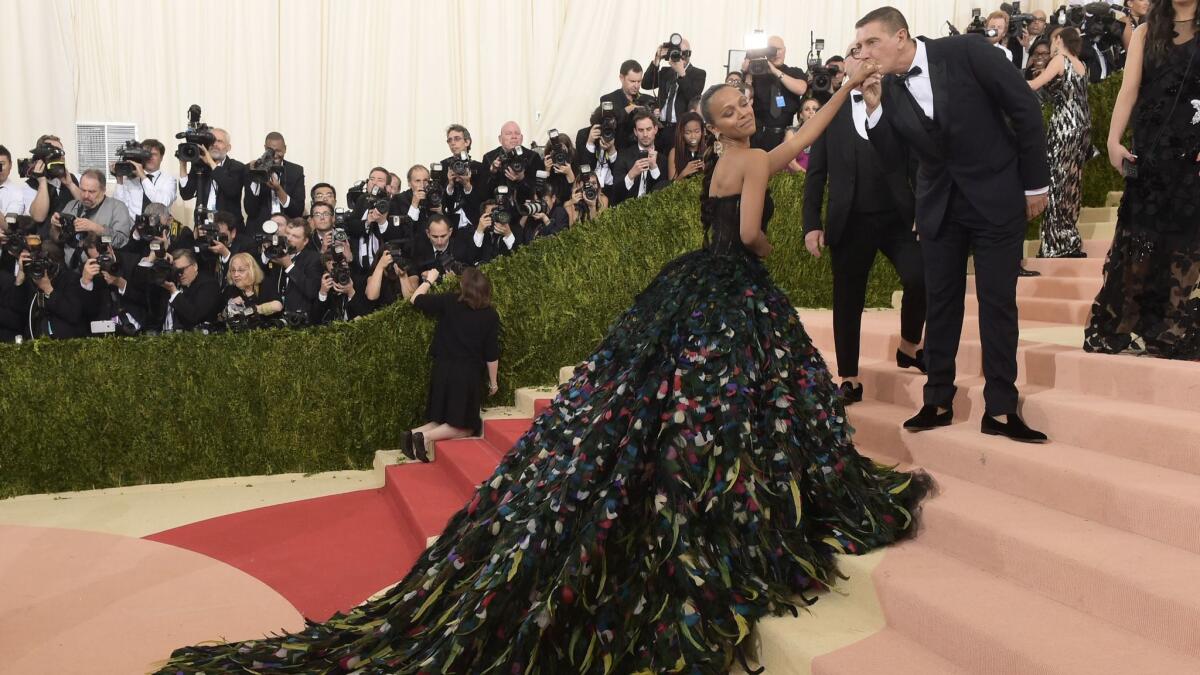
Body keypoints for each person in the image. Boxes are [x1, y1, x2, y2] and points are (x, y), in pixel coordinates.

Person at [157, 64, 933, 675]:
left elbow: (801, 138)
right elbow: (759, 231)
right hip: (733, 291)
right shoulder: (757, 161)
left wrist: (835, 96)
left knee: (676, 408)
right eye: (731, 109)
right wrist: (763, 251)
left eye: (744, 107)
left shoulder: (727, 162)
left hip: (692, 284)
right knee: (736, 406)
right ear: (719, 120)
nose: (745, 115)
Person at [856, 6, 1051, 443]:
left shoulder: (965, 51)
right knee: (940, 303)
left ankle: (1001, 409)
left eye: (872, 42)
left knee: (997, 302)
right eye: (860, 46)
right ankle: (937, 400)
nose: (864, 52)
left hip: (996, 195)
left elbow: (1023, 107)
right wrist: (874, 110)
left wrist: (1035, 184)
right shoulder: (888, 87)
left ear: (901, 36)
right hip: (939, 206)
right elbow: (892, 159)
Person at [803, 47, 925, 405]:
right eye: (859, 61)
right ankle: (849, 376)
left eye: (873, 61)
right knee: (848, 299)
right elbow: (816, 173)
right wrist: (811, 223)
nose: (868, 67)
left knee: (921, 278)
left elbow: (918, 159)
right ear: (847, 69)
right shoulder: (833, 110)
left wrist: (923, 206)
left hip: (898, 216)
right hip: (850, 219)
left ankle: (908, 345)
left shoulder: (901, 101)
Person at [1085, 0, 1200, 358]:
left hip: (1192, 154)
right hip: (1149, 153)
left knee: (1184, 240)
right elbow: (1128, 89)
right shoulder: (1146, 31)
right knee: (1140, 240)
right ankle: (1133, 322)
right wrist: (1112, 140)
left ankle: (1174, 327)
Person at [401, 266, 500, 463]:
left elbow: (415, 299)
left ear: (463, 286)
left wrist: (429, 280)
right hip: (467, 374)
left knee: (441, 419)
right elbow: (491, 353)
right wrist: (494, 382)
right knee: (466, 426)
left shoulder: (449, 301)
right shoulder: (490, 315)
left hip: (442, 370)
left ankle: (412, 433)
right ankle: (424, 437)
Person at [1029, 27, 1091, 259]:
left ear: (1058, 39)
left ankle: (1054, 245)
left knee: (1056, 181)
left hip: (1064, 126)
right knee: (1072, 184)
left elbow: (1035, 86)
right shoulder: (1080, 64)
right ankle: (1068, 239)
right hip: (1082, 128)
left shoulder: (1060, 60)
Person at [744, 35, 809, 150]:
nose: (776, 53)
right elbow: (744, 97)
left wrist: (774, 71)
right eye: (772, 50)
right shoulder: (756, 74)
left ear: (785, 50)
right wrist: (747, 72)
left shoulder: (794, 71)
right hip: (759, 135)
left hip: (786, 135)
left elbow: (801, 89)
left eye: (779, 49)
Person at [643, 36, 707, 151]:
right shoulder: (665, 71)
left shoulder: (698, 73)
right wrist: (656, 60)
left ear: (688, 54)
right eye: (676, 52)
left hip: (680, 128)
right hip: (660, 126)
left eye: (683, 53)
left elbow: (693, 97)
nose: (679, 56)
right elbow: (646, 84)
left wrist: (682, 74)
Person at [178, 127, 247, 229]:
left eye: (219, 141)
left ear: (228, 147)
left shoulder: (237, 167)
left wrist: (210, 162)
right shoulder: (199, 166)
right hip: (203, 227)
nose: (214, 144)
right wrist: (182, 164)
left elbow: (231, 190)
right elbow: (186, 194)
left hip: (229, 229)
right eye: (211, 141)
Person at [243, 132, 305, 231]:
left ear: (285, 149)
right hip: (258, 228)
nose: (275, 155)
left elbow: (297, 211)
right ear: (265, 148)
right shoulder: (251, 168)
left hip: (287, 230)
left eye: (279, 151)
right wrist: (256, 177)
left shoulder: (296, 171)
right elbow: (250, 210)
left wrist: (279, 189)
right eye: (271, 151)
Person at [611, 108, 669, 204]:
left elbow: (664, 194)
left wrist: (654, 167)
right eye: (641, 130)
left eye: (648, 129)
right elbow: (616, 193)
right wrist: (630, 175)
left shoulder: (662, 159)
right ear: (635, 132)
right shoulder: (623, 156)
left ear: (655, 129)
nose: (645, 134)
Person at [599, 60, 659, 151]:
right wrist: (627, 110)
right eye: (632, 81)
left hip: (643, 153)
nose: (636, 85)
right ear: (621, 78)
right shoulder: (608, 100)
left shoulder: (649, 100)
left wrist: (656, 116)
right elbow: (607, 126)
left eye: (639, 81)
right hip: (618, 153)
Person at [112, 138, 177, 219]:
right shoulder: (129, 178)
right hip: (133, 229)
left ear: (161, 157)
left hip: (158, 229)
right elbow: (119, 207)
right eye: (146, 154)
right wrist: (119, 180)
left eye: (154, 154)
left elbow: (163, 203)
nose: (150, 157)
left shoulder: (169, 180)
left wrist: (143, 176)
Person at [217, 252, 282, 329]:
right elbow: (219, 319)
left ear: (252, 271)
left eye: (241, 270)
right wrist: (228, 308)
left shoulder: (264, 284)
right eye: (233, 270)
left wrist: (249, 311)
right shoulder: (230, 289)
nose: (236, 274)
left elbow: (278, 306)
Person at [785, 97, 823, 173]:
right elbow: (790, 163)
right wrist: (807, 176)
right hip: (795, 178)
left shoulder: (825, 135)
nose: (811, 111)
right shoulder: (792, 133)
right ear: (801, 115)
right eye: (807, 109)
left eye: (815, 109)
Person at [668, 112, 706, 180]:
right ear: (681, 133)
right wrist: (684, 173)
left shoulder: (708, 150)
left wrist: (706, 171)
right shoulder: (674, 152)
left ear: (702, 132)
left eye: (697, 131)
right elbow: (670, 186)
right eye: (688, 133)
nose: (693, 136)